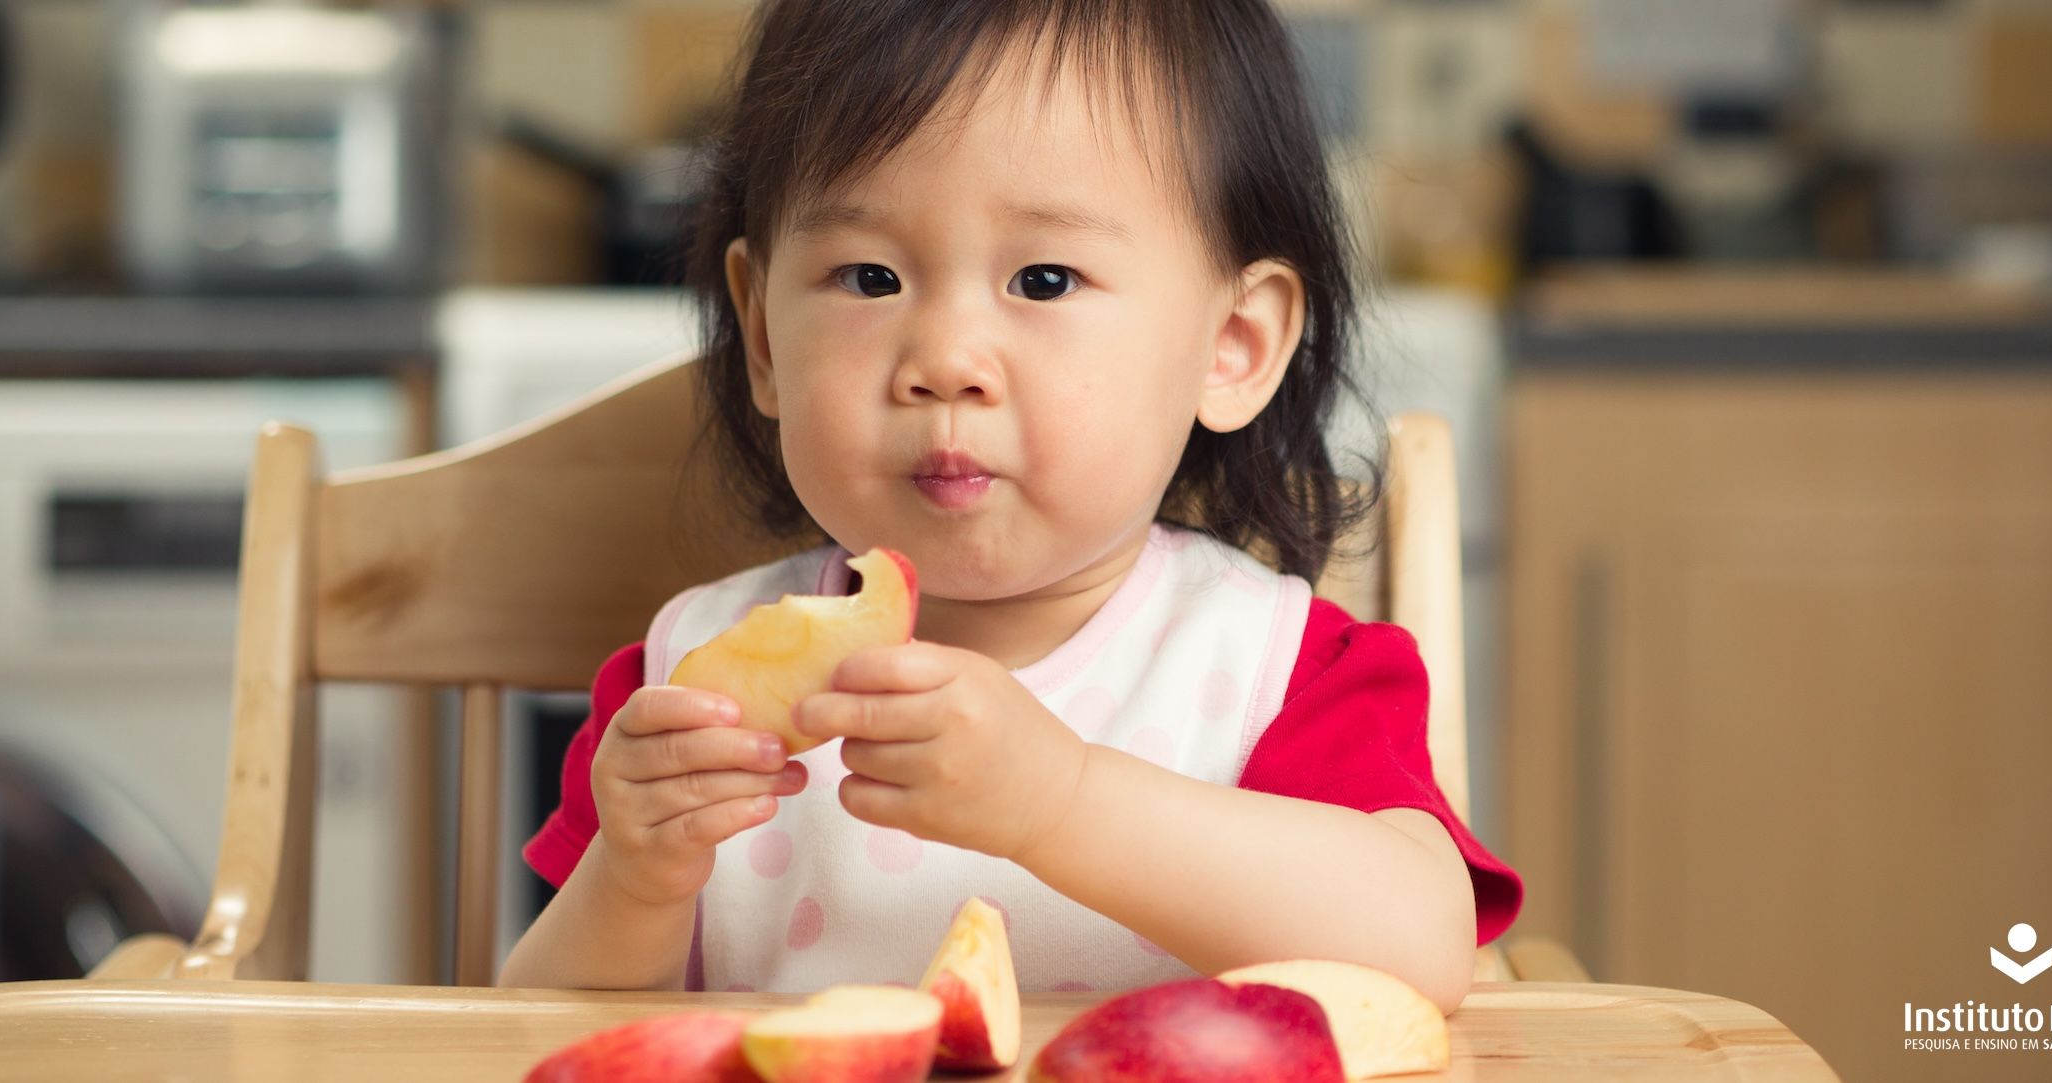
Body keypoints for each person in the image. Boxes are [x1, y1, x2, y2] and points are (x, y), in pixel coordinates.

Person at [499, 0, 1521, 1009]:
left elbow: (1417, 947)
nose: (944, 361)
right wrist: (635, 878)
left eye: (1041, 278)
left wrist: (1062, 801)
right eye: (867, 276)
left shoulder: (1279, 673)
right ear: (763, 333)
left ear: (1232, 347)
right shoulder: (688, 681)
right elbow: (528, 1028)